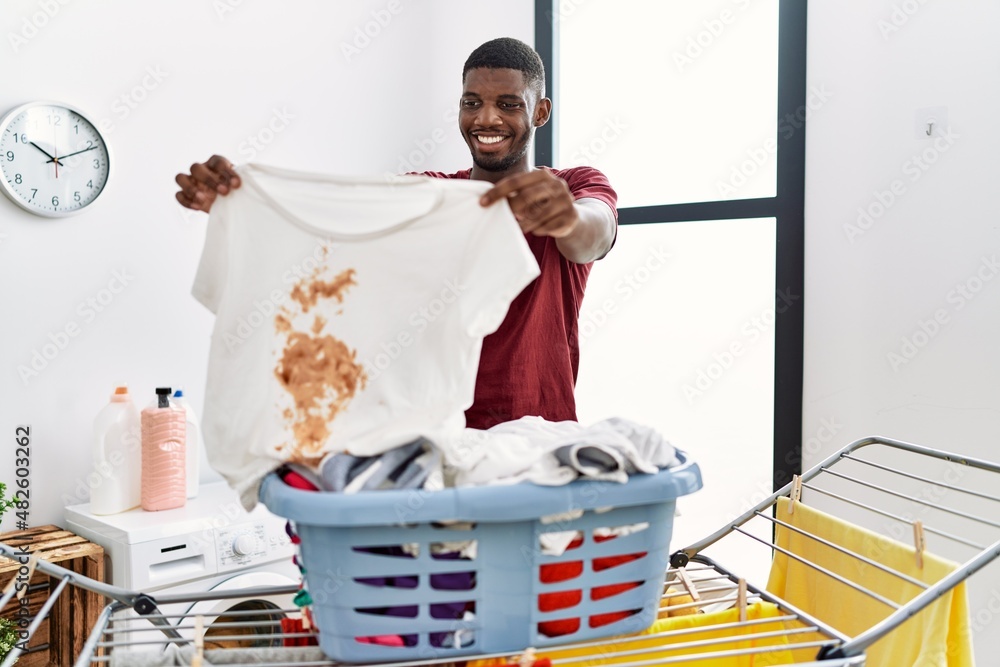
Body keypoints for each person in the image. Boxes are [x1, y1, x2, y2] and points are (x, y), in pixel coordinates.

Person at [175, 37, 618, 430]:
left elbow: (593, 234)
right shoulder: (424, 191)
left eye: (508, 104)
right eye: (471, 102)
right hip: (426, 435)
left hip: (536, 434)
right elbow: (334, 233)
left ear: (540, 110)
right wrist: (242, 205)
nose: (486, 118)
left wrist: (567, 220)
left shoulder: (572, 187)